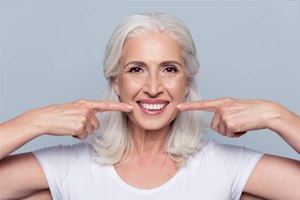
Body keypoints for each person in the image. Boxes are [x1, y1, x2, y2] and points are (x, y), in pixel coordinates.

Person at [0, 12, 299, 200]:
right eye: (136, 69)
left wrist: (276, 116)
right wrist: (35, 121)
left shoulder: (224, 167)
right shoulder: (68, 168)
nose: (154, 88)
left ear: (187, 81)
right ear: (116, 82)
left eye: (169, 69)